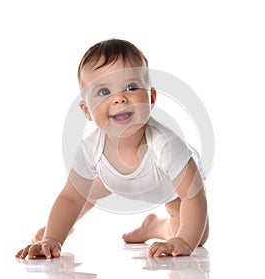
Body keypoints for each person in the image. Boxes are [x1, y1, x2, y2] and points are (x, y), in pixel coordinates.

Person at [16, 39, 209, 259]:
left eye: (131, 87)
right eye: (104, 91)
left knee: (197, 235)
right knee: (83, 193)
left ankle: (156, 228)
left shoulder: (167, 145)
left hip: (169, 185)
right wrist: (52, 238)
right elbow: (70, 198)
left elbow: (193, 194)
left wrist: (183, 240)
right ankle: (59, 228)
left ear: (151, 97)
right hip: (113, 179)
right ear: (87, 110)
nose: (119, 98)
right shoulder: (90, 149)